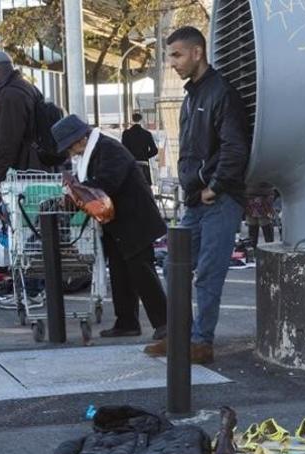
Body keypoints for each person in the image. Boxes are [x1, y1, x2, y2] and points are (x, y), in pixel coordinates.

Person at [144, 26, 250, 365]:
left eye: (176, 55)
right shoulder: (192, 96)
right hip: (195, 199)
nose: (171, 63)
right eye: (169, 55)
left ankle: (201, 343)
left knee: (208, 272)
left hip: (219, 199)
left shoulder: (222, 93)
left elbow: (236, 148)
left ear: (197, 52)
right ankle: (183, 337)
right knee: (173, 268)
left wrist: (214, 187)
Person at [52, 114, 168, 340]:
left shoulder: (109, 150)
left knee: (142, 272)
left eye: (70, 147)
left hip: (135, 220)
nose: (71, 153)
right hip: (118, 224)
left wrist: (74, 196)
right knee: (120, 274)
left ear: (80, 140)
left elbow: (105, 184)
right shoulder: (97, 150)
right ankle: (126, 322)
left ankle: (165, 322)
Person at [0, 50, 46, 206]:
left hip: (19, 175)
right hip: (33, 169)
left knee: (19, 224)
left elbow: (6, 142)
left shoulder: (10, 95)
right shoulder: (28, 88)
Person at [121, 112, 158, 185]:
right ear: (141, 121)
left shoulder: (126, 134)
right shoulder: (147, 134)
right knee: (144, 188)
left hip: (131, 165)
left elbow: (123, 150)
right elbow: (155, 150)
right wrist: (144, 156)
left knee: (131, 187)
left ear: (131, 121)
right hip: (144, 165)